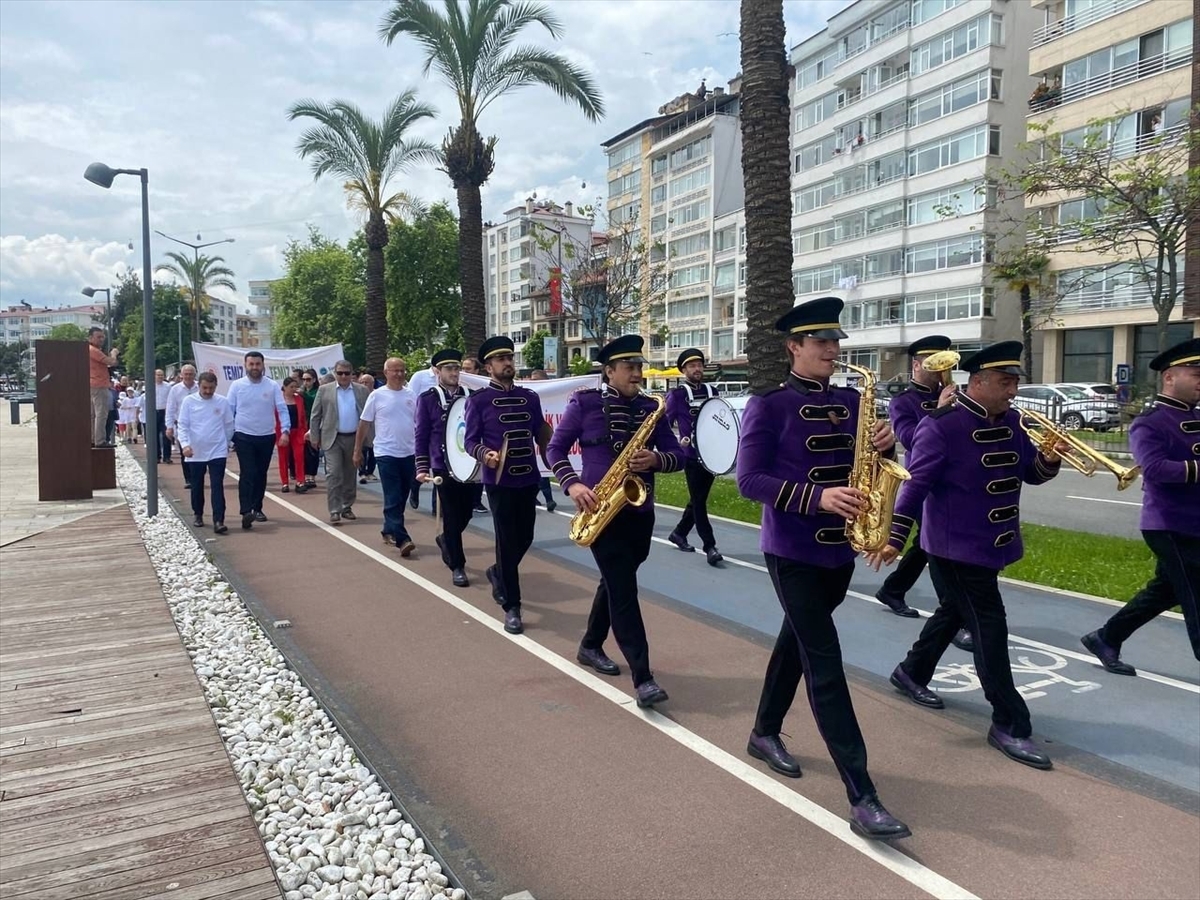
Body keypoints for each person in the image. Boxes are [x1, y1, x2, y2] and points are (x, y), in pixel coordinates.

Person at [737, 296, 910, 841]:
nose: (832, 350)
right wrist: (817, 498)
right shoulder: (768, 405)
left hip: (841, 551)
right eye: (821, 342)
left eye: (835, 341)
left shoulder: (852, 401)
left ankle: (764, 732)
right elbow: (750, 482)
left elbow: (866, 464)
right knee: (825, 662)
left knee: (797, 640)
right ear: (794, 347)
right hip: (792, 551)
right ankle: (863, 796)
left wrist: (887, 443)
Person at [870, 340, 1065, 772]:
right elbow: (914, 485)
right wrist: (894, 537)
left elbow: (1028, 474)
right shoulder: (942, 425)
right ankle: (1010, 723)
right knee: (990, 630)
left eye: (1015, 382)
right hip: (954, 548)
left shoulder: (1011, 420)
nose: (1013, 390)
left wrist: (1049, 460)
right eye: (1005, 382)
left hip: (991, 543)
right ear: (977, 382)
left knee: (954, 613)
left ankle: (911, 672)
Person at [547, 335, 683, 707]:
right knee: (624, 590)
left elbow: (677, 455)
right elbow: (555, 449)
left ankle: (591, 644)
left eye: (639, 366)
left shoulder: (651, 407)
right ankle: (643, 678)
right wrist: (572, 485)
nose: (637, 373)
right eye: (630, 367)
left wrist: (656, 461)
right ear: (609, 371)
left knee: (615, 582)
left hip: (639, 511)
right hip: (599, 510)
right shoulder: (586, 403)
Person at [1081, 338, 1200, 673]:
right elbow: (1156, 469)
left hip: (1194, 523)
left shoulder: (1197, 416)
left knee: (1165, 591)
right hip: (1170, 524)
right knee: (1195, 594)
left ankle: (1106, 637)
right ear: (1170, 377)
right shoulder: (1150, 422)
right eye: (1195, 373)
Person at [465, 336, 551, 634]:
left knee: (525, 536)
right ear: (488, 367)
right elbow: (470, 441)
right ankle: (512, 606)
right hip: (499, 481)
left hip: (528, 478)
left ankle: (498, 571)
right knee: (506, 539)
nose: (508, 363)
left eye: (510, 358)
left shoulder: (530, 397)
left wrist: (553, 452)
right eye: (501, 360)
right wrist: (484, 454)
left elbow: (540, 430)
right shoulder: (478, 401)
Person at [873, 336, 959, 623]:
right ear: (917, 364)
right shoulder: (903, 402)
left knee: (925, 545)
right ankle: (953, 614)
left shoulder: (954, 396)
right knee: (936, 546)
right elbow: (910, 439)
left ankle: (893, 589)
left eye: (942, 364)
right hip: (922, 482)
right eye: (932, 364)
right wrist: (939, 411)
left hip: (950, 482)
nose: (938, 371)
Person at [415, 348, 474, 587]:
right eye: (449, 368)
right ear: (437, 371)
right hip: (443, 466)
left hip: (469, 465)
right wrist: (422, 466)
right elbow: (421, 434)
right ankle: (457, 565)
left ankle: (446, 540)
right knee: (450, 514)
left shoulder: (472, 395)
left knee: (467, 511)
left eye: (457, 368)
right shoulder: (428, 398)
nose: (454, 372)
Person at [665, 347, 723, 566]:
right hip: (691, 456)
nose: (697, 369)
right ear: (683, 370)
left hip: (713, 455)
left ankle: (679, 533)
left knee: (698, 498)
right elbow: (665, 425)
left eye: (699, 365)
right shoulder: (677, 395)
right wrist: (676, 444)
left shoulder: (713, 392)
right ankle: (710, 546)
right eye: (692, 366)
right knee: (699, 501)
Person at [356, 358, 418, 554]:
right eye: (395, 371)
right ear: (386, 373)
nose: (399, 374)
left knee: (402, 496)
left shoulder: (411, 395)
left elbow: (419, 423)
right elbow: (364, 423)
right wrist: (357, 450)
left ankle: (388, 529)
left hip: (409, 453)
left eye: (402, 370)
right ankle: (402, 538)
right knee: (393, 496)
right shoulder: (377, 396)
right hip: (386, 453)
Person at [227, 350, 290, 530]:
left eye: (258, 364)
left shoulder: (271, 386)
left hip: (266, 436)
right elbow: (229, 411)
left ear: (263, 365)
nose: (254, 367)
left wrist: (284, 431)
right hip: (243, 435)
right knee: (248, 472)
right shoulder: (237, 386)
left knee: (261, 473)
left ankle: (257, 508)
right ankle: (246, 510)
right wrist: (229, 436)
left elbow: (282, 410)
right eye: (251, 364)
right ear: (245, 365)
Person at [309, 360, 369, 525]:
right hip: (332, 438)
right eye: (340, 373)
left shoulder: (362, 391)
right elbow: (315, 415)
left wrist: (368, 439)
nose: (343, 376)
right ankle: (334, 510)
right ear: (335, 373)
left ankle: (347, 507)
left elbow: (368, 416)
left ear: (352, 374)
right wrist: (314, 436)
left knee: (350, 474)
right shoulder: (324, 390)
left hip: (354, 437)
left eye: (347, 373)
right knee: (334, 474)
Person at [177, 372, 235, 534]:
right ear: (199, 386)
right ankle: (198, 513)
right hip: (195, 450)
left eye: (211, 388)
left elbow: (229, 425)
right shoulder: (189, 402)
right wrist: (185, 445)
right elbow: (183, 425)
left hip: (217, 450)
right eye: (204, 388)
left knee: (217, 485)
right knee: (197, 484)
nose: (208, 391)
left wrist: (227, 443)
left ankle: (219, 519)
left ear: (216, 387)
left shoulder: (223, 402)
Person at [406, 361, 438, 510]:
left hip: (441, 430)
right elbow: (411, 400)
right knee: (422, 463)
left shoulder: (454, 378)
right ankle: (414, 488)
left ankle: (437, 507)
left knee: (440, 468)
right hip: (423, 427)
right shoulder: (420, 377)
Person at [528, 368, 557, 512]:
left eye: (537, 380)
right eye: (532, 381)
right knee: (536, 471)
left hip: (545, 436)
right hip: (531, 439)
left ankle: (549, 499)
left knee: (544, 469)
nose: (534, 384)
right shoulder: (528, 396)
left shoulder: (552, 394)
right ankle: (536, 497)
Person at [461, 357, 488, 514]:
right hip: (458, 436)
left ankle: (476, 501)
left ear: (477, 371)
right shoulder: (454, 389)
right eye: (462, 368)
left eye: (468, 369)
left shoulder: (482, 390)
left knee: (478, 468)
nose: (464, 372)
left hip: (477, 436)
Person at [165, 365, 199, 489]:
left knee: (198, 452)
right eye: (186, 374)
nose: (189, 376)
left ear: (195, 375)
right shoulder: (175, 390)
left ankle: (197, 476)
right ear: (181, 375)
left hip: (199, 425)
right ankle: (188, 478)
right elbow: (170, 409)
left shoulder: (199, 387)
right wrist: (169, 426)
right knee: (185, 451)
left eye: (191, 374)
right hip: (182, 425)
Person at [275, 377, 309, 493]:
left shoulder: (299, 399)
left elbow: (303, 416)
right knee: (283, 458)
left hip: (297, 431)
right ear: (284, 387)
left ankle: (300, 481)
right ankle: (285, 482)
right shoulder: (278, 400)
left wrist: (304, 430)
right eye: (291, 387)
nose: (294, 389)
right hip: (282, 433)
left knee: (299, 457)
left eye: (295, 387)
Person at [87, 326, 119, 447]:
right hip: (99, 384)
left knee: (94, 415)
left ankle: (93, 439)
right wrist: (114, 354)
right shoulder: (93, 350)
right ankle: (100, 440)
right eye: (98, 337)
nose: (101, 339)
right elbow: (112, 362)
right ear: (90, 337)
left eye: (102, 337)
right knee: (101, 413)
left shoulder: (90, 350)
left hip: (93, 384)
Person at [299, 369, 320, 491]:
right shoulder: (302, 392)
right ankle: (305, 475)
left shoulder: (317, 392)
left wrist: (302, 394)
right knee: (304, 451)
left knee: (313, 449)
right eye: (304, 379)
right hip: (302, 423)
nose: (306, 382)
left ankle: (311, 476)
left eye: (308, 379)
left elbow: (313, 401)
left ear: (314, 380)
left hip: (314, 423)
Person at [357, 373, 378, 484]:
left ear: (372, 383)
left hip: (375, 426)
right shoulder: (357, 395)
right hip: (362, 425)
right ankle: (362, 472)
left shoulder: (376, 394)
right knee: (362, 449)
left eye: (367, 382)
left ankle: (370, 471)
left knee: (373, 451)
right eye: (362, 382)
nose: (364, 384)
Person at [152, 369, 172, 463]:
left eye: (161, 375)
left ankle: (167, 456)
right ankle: (156, 456)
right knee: (154, 435)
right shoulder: (150, 386)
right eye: (158, 375)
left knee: (166, 434)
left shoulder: (168, 386)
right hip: (154, 412)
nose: (160, 377)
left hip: (164, 411)